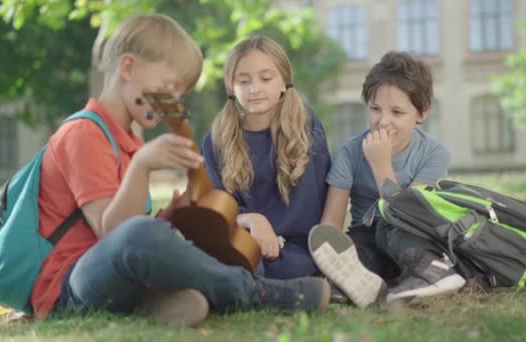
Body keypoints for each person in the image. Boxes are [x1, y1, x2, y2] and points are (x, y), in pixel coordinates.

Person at [31, 14, 330, 327]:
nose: (171, 101)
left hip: (122, 276)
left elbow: (131, 232)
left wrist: (170, 217)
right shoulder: (83, 133)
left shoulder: (129, 141)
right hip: (68, 282)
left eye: (179, 93)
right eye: (169, 86)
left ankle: (161, 304)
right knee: (142, 235)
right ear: (128, 67)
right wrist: (144, 166)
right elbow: (115, 235)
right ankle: (257, 293)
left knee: (168, 234)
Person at [308, 51, 464, 308]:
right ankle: (359, 282)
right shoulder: (349, 152)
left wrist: (381, 165)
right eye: (375, 109)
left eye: (397, 112)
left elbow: (409, 214)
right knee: (359, 252)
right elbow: (332, 222)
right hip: (366, 235)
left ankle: (430, 273)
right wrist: (327, 257)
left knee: (403, 240)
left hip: (410, 233)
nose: (383, 121)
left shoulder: (435, 153)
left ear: (422, 113)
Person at [201, 35, 331, 280]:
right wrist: (252, 220)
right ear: (231, 87)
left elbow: (316, 203)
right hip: (238, 241)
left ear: (284, 82)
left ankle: (248, 285)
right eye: (244, 80)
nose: (255, 88)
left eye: (266, 78)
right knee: (216, 258)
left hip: (295, 250)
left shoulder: (305, 126)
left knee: (294, 267)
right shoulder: (216, 138)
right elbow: (213, 211)